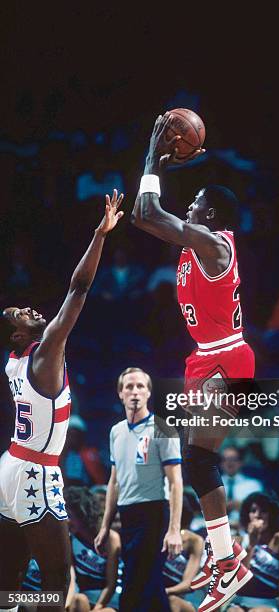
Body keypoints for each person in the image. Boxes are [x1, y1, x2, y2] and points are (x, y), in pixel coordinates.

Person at [131, 113, 255, 611]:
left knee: (201, 460)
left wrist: (153, 151)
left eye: (198, 200)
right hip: (205, 357)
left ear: (211, 215)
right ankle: (227, 559)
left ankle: (229, 563)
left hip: (228, 357)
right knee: (197, 459)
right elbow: (148, 216)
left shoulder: (213, 244)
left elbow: (148, 213)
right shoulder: (195, 244)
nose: (191, 202)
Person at [0, 190, 124, 610]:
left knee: (9, 576)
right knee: (57, 578)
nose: (31, 310)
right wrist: (100, 234)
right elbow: (79, 287)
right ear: (19, 336)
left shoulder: (13, 362)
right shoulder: (44, 351)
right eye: (20, 314)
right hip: (36, 470)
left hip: (11, 465)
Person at [94, 367, 183, 612]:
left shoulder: (162, 428)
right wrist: (105, 526)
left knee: (135, 586)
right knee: (150, 589)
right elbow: (115, 481)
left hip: (154, 513)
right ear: (120, 394)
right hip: (128, 516)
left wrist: (174, 530)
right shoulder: (116, 431)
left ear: (148, 393)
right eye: (129, 387)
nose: (135, 391)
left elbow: (176, 482)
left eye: (140, 386)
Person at [228, 491, 279, 612]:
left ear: (272, 514)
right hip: (240, 601)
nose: (258, 515)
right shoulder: (239, 540)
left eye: (263, 511)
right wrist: (251, 545)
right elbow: (239, 580)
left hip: (268, 603)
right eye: (253, 511)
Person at [64, 485, 121, 612]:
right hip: (83, 598)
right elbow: (71, 578)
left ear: (82, 514)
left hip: (107, 600)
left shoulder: (111, 539)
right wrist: (66, 605)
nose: (66, 520)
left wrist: (98, 608)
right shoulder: (70, 539)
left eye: (69, 515)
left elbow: (111, 584)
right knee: (79, 600)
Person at [164, 493, 205, 612]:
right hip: (156, 595)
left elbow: (188, 584)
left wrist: (164, 592)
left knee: (172, 601)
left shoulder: (194, 541)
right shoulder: (156, 535)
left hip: (184, 598)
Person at [220, 446, 264, 527]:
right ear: (221, 463)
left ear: (241, 462)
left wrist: (243, 506)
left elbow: (260, 511)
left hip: (245, 527)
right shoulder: (211, 486)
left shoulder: (254, 485)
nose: (229, 463)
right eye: (226, 459)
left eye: (233, 459)